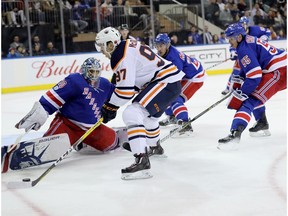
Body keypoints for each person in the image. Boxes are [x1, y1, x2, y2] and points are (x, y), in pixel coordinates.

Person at [3, 58, 125, 172]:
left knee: (112, 143)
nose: (94, 75)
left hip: (92, 129)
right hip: (68, 125)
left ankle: (82, 144)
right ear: (84, 70)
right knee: (46, 149)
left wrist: (112, 108)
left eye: (97, 72)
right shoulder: (74, 80)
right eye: (91, 71)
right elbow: (54, 96)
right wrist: (42, 111)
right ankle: (9, 157)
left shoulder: (104, 84)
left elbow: (117, 96)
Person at [95, 27, 185, 180]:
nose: (102, 52)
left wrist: (109, 107)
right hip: (170, 81)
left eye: (102, 47)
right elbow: (134, 80)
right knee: (149, 118)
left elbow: (125, 92)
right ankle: (154, 146)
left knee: (132, 113)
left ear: (111, 44)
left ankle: (141, 159)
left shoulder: (119, 55)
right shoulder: (128, 45)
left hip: (164, 81)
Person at [217, 23, 286, 149]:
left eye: (231, 39)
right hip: (277, 69)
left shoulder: (243, 49)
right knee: (253, 96)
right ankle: (261, 122)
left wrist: (241, 93)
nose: (229, 42)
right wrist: (238, 82)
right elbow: (248, 68)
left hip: (279, 71)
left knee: (249, 100)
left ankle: (235, 133)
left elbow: (254, 76)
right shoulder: (245, 43)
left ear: (238, 37)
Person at [154, 33, 206, 134]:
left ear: (167, 45)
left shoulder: (174, 58)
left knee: (175, 97)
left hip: (195, 77)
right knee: (166, 94)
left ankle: (185, 124)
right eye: (157, 45)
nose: (159, 48)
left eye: (161, 45)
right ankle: (173, 116)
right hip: (188, 74)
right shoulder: (164, 53)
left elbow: (176, 78)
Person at [221, 16, 271, 95]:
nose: (243, 25)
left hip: (253, 55)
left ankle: (251, 88)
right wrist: (233, 52)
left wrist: (263, 38)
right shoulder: (237, 31)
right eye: (242, 23)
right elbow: (232, 42)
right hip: (242, 54)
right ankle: (228, 88)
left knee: (252, 71)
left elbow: (267, 31)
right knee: (236, 71)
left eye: (245, 24)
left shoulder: (255, 29)